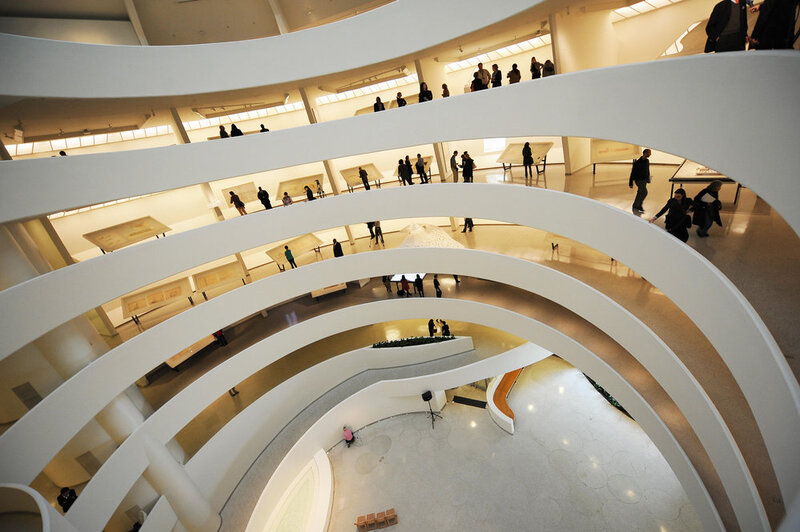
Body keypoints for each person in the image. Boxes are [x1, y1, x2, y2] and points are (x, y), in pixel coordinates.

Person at [629, 149, 651, 214]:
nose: (650, 154)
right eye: (649, 153)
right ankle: (639, 205)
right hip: (639, 180)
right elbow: (632, 173)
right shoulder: (637, 163)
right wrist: (630, 183)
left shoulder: (647, 161)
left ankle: (635, 205)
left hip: (644, 180)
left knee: (640, 192)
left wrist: (648, 178)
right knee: (644, 192)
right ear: (645, 153)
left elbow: (647, 170)